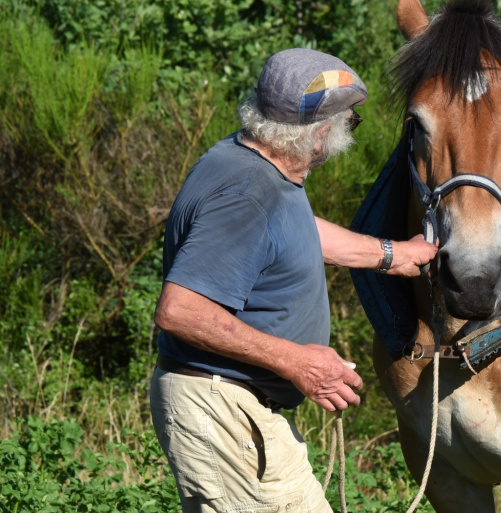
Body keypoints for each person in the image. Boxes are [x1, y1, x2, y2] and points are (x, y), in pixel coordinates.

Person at [150, 48, 437, 513]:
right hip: (222, 408)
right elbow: (180, 311)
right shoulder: (249, 191)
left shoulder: (251, 163)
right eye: (349, 123)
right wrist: (298, 363)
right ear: (320, 133)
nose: (348, 133)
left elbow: (292, 231)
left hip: (236, 406)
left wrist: (390, 255)